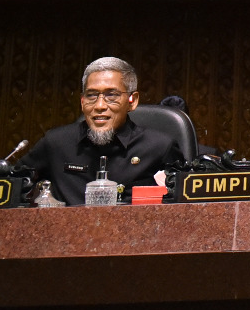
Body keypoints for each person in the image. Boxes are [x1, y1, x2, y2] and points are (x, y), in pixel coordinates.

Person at [19, 57, 183, 205]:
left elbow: (183, 208)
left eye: (112, 95)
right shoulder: (56, 143)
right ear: (82, 102)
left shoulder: (160, 147)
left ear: (132, 101)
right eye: (91, 95)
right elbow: (13, 184)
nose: (100, 106)